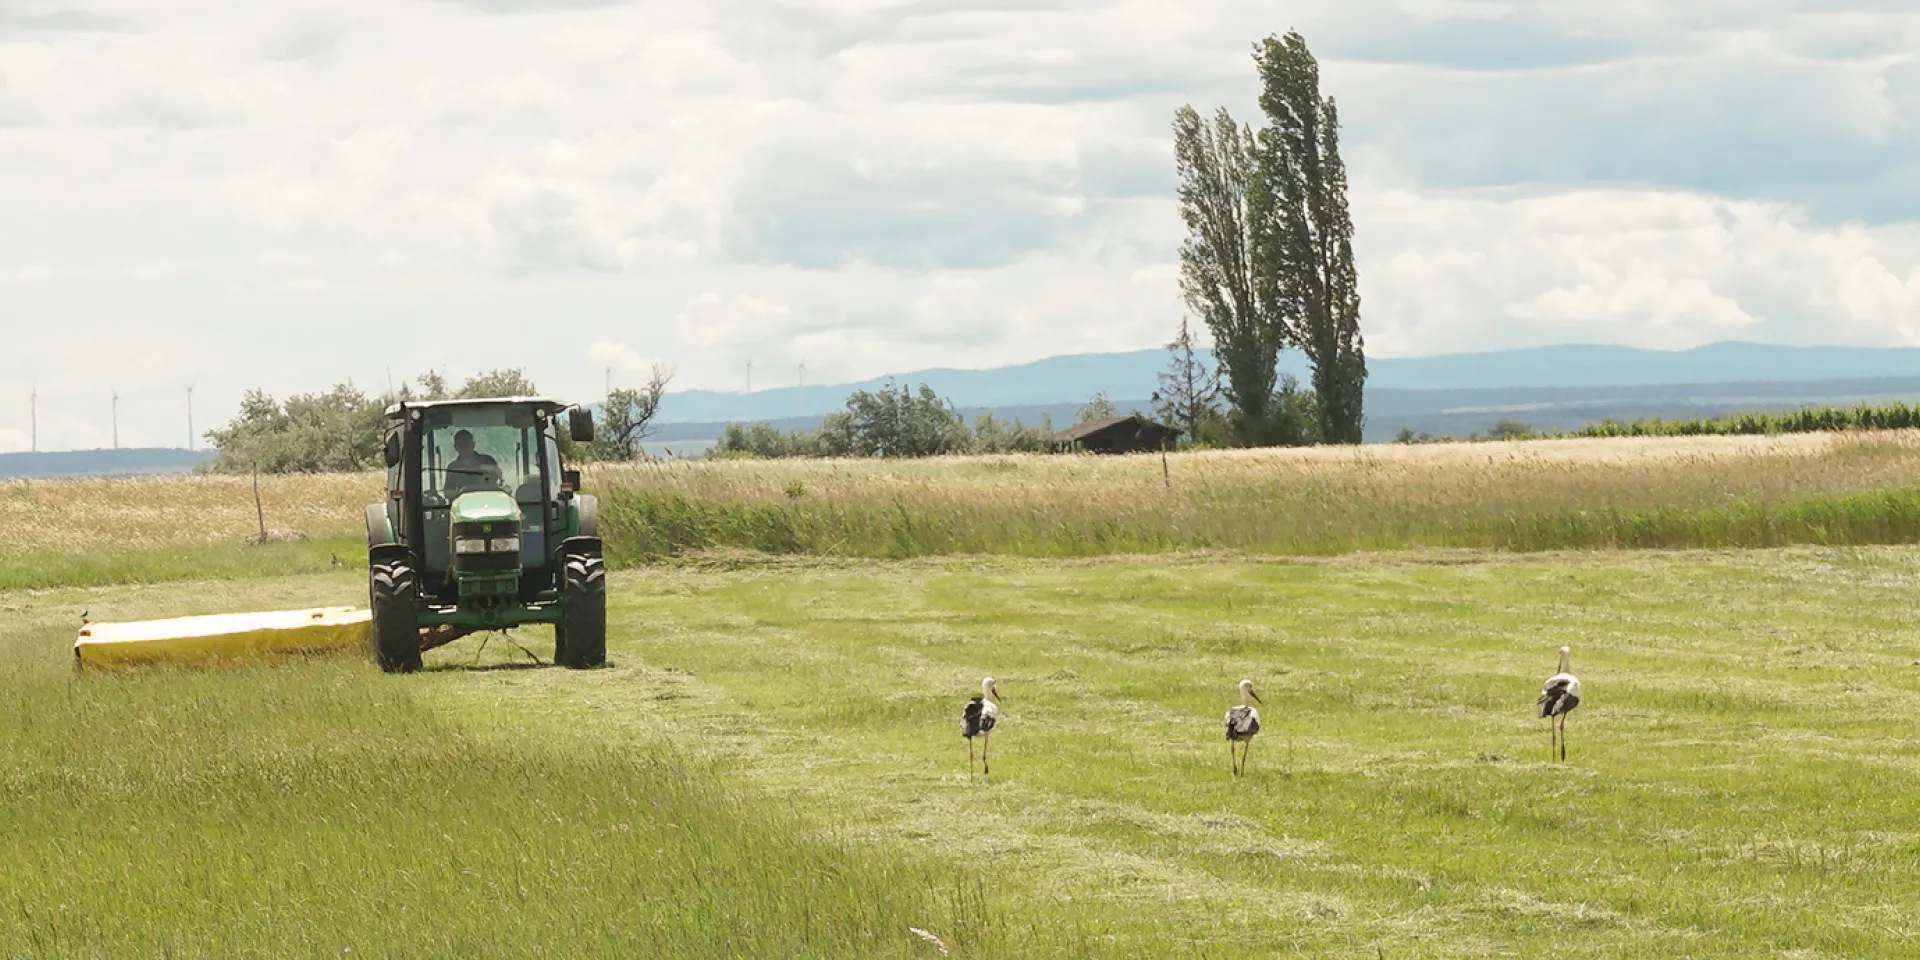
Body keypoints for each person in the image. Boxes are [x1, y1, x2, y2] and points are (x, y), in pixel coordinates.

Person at [443, 429, 501, 496]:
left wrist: (480, 468)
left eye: (466, 443)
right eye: (461, 444)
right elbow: (448, 492)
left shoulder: (488, 460)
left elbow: (498, 474)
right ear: (455, 447)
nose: (464, 447)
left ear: (473, 445)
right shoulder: (452, 468)